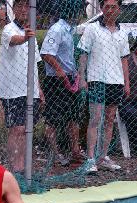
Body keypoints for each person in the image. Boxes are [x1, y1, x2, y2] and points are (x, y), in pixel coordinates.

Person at [78, 0, 130, 174]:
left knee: (109, 120)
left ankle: (103, 157)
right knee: (95, 118)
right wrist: (81, 77)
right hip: (96, 79)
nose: (109, 10)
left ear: (119, 10)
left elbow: (124, 59)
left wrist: (126, 83)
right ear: (101, 9)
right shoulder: (92, 29)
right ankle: (91, 159)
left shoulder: (123, 32)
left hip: (116, 81)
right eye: (106, 7)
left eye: (113, 7)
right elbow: (83, 54)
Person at [0, 0, 43, 176]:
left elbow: (35, 64)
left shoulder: (31, 33)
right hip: (12, 90)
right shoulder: (9, 29)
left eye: (27, 7)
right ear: (13, 9)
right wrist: (24, 38)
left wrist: (39, 90)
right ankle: (16, 168)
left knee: (26, 129)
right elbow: (14, 41)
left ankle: (23, 166)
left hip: (30, 90)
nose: (23, 10)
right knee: (16, 129)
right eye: (20, 6)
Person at [40, 0, 82, 167]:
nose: (80, 14)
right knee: (53, 118)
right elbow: (46, 54)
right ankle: (55, 153)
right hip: (56, 81)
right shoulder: (57, 29)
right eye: (79, 10)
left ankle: (75, 151)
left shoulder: (70, 30)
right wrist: (60, 72)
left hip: (70, 78)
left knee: (73, 116)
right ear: (73, 12)